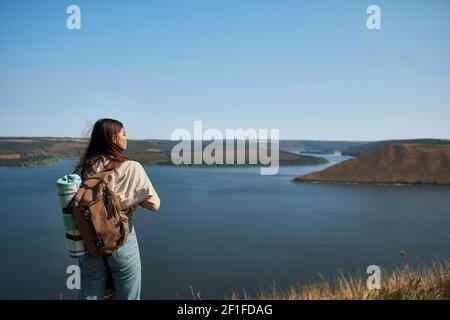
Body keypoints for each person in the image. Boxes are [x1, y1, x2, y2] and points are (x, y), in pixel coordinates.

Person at [73, 118, 161, 300]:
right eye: (124, 134)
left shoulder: (83, 169)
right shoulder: (131, 167)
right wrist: (131, 201)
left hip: (88, 239)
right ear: (114, 139)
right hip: (121, 237)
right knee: (129, 294)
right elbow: (154, 205)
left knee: (90, 293)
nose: (127, 138)